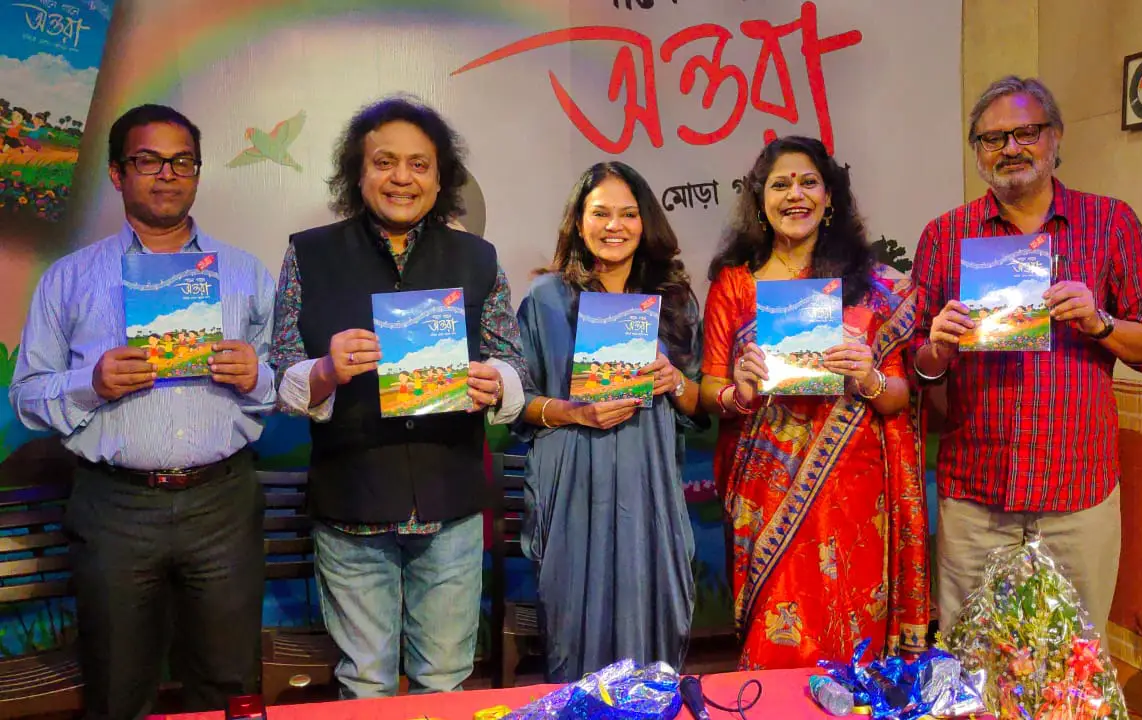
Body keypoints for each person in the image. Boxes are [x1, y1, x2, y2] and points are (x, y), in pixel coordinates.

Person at [8, 104, 276, 719]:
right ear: (116, 173)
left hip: (223, 502)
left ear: (198, 172)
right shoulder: (69, 279)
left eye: (182, 160)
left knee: (230, 683)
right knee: (118, 685)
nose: (166, 174)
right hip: (115, 507)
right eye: (147, 160)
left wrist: (257, 375)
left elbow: (292, 381)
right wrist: (90, 383)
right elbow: (25, 395)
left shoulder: (245, 274)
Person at [269, 95, 529, 698]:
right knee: (364, 683)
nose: (402, 178)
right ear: (357, 174)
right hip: (352, 498)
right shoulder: (308, 253)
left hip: (452, 504)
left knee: (445, 679)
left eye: (420, 164)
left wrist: (496, 384)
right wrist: (325, 372)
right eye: (385, 163)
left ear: (441, 179)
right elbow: (281, 370)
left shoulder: (477, 257)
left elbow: (512, 363)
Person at [912, 76, 1142, 638]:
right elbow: (918, 367)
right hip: (975, 498)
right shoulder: (945, 235)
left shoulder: (1110, 223)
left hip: (1078, 494)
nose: (1010, 148)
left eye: (1026, 132)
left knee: (1075, 666)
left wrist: (1100, 322)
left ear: (1055, 137)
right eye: (992, 139)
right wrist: (937, 347)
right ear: (978, 152)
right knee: (971, 661)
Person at [699, 136, 930, 670]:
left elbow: (897, 397)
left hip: (855, 492)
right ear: (760, 199)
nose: (794, 195)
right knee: (775, 639)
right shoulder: (734, 283)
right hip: (766, 493)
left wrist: (867, 375)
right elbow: (710, 389)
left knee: (855, 645)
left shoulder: (869, 285)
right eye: (780, 184)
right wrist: (740, 388)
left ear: (830, 198)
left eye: (808, 182)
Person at [514, 162, 702, 682]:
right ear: (579, 222)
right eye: (600, 213)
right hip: (572, 480)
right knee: (575, 622)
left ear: (646, 224)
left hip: (649, 483)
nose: (614, 226)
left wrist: (674, 382)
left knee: (654, 616)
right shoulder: (545, 300)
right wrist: (574, 411)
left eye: (628, 214)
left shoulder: (676, 301)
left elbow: (702, 404)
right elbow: (516, 404)